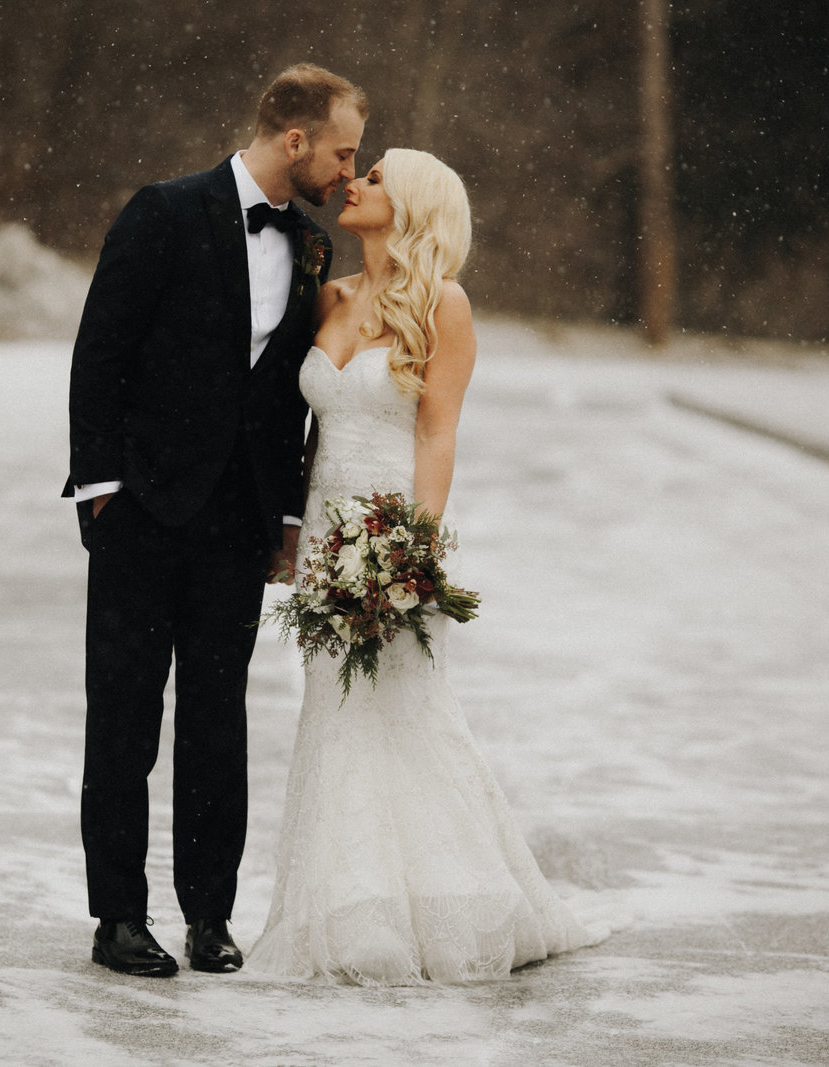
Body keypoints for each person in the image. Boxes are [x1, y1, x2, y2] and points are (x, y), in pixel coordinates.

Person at [250, 149, 610, 984]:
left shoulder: (444, 306)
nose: (354, 183)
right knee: (333, 715)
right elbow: (307, 432)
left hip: (389, 533)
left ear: (410, 203)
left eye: (373, 177)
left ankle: (450, 907)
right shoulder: (330, 297)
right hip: (325, 545)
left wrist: (410, 550)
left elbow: (435, 432)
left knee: (407, 708)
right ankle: (350, 906)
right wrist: (292, 533)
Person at [64, 64, 369, 977]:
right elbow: (100, 352)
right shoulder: (162, 211)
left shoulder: (312, 247)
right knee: (122, 720)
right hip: (142, 514)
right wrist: (101, 490)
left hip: (237, 525)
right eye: (344, 151)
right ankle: (118, 916)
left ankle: (209, 916)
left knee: (216, 722)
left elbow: (282, 402)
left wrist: (282, 517)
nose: (351, 174)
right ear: (294, 140)